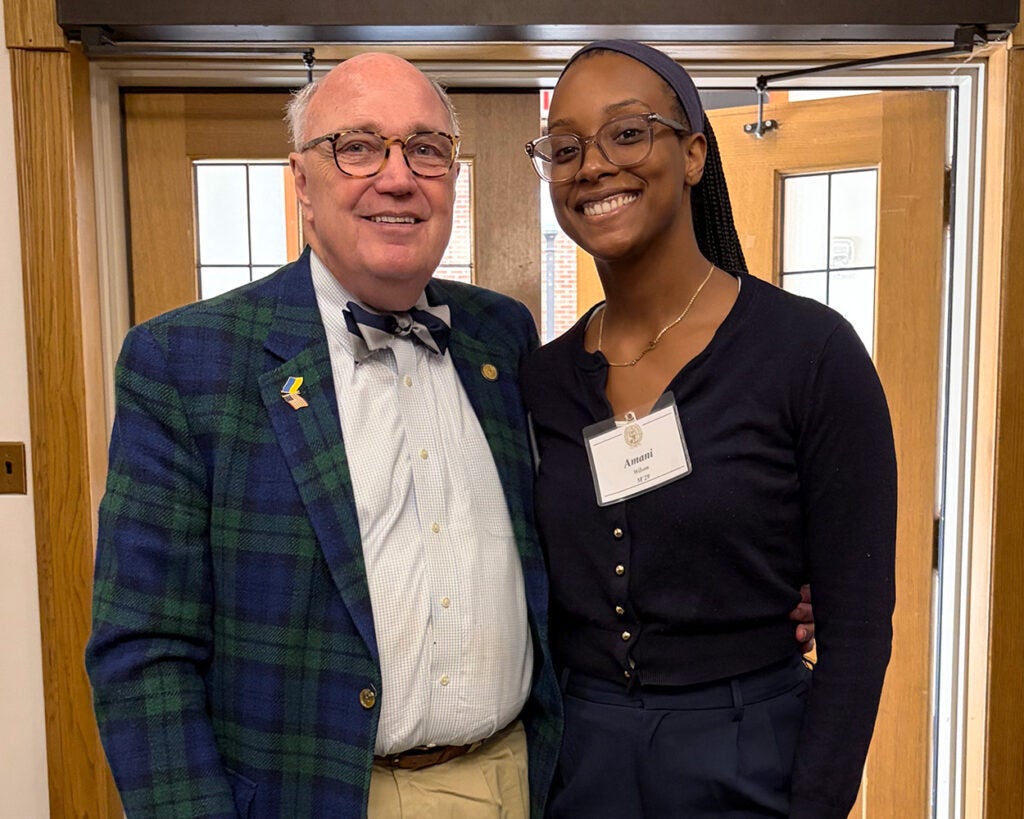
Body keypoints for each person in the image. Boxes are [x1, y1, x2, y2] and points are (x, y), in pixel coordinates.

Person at [84, 52, 563, 818]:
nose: (398, 177)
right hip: (311, 797)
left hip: (511, 781)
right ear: (302, 181)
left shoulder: (501, 337)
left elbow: (563, 544)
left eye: (426, 148)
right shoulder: (186, 361)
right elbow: (142, 652)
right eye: (359, 146)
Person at [521, 40, 896, 818]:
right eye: (565, 148)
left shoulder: (809, 354)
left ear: (693, 154)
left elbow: (857, 629)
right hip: (579, 768)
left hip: (753, 760)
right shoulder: (543, 380)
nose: (592, 165)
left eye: (628, 132)